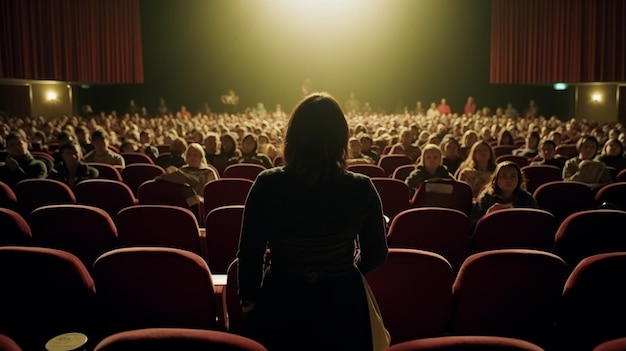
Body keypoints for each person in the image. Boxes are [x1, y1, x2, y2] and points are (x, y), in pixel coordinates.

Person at [237, 92, 388, 351]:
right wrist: (343, 272)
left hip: (283, 298)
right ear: (341, 137)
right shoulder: (361, 187)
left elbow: (250, 251)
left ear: (292, 136)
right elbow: (376, 253)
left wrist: (250, 300)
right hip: (343, 304)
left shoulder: (268, 183)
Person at [469, 161, 538, 226]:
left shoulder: (527, 199)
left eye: (513, 176)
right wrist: (488, 216)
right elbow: (473, 226)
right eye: (504, 176)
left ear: (518, 180)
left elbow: (537, 223)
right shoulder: (486, 198)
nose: (508, 180)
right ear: (496, 179)